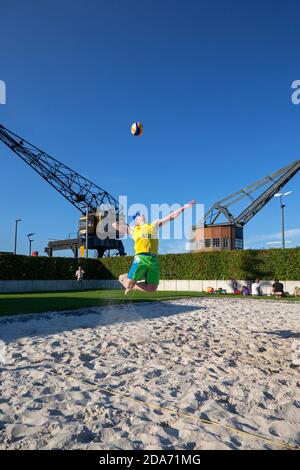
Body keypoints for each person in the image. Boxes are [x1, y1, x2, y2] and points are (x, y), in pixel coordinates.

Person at [112, 201, 196, 294]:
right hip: (141, 258)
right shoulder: (133, 229)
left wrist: (183, 208)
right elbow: (115, 225)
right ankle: (126, 280)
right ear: (135, 221)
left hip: (154, 259)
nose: (140, 215)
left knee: (152, 288)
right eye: (137, 215)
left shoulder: (153, 225)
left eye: (140, 214)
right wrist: (121, 220)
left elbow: (171, 217)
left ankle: (132, 285)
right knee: (128, 285)